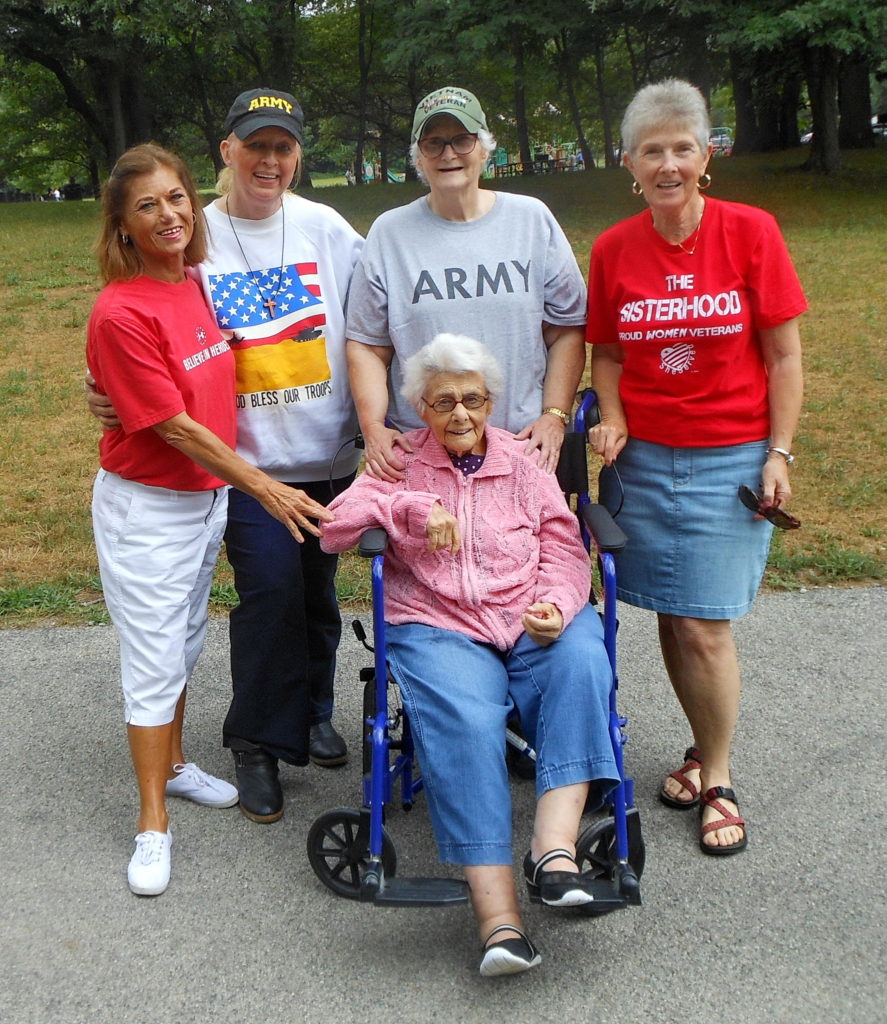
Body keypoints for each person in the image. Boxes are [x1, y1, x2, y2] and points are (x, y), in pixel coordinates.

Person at [88, 89, 364, 825]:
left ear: (297, 154)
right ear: (227, 152)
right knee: (269, 596)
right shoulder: (189, 233)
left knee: (316, 596)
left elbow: (372, 320)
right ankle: (258, 746)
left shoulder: (326, 227)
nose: (270, 160)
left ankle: (313, 712)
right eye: (256, 146)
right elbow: (142, 327)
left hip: (327, 452)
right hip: (243, 465)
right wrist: (112, 393)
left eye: (284, 147)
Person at [321, 335, 620, 977]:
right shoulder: (398, 461)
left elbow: (566, 548)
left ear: (492, 403)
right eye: (445, 401)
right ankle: (499, 921)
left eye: (474, 400)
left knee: (582, 662)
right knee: (465, 718)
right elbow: (334, 529)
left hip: (529, 616)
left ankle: (554, 851)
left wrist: (558, 606)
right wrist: (407, 508)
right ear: (421, 408)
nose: (461, 414)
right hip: (439, 625)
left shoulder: (523, 462)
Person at [586, 79, 806, 856]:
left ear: (706, 154)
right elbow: (605, 352)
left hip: (731, 460)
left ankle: (717, 776)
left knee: (705, 627)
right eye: (653, 150)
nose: (669, 163)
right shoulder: (614, 249)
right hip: (644, 461)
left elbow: (782, 356)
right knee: (674, 618)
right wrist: (610, 415)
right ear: (630, 163)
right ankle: (696, 745)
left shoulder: (750, 232)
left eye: (683, 146)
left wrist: (777, 452)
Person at [346, 86, 587, 481]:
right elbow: (368, 346)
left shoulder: (531, 220)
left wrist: (554, 415)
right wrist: (373, 427)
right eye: (434, 143)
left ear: (484, 148)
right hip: (426, 454)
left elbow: (566, 330)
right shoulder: (390, 233)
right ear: (419, 157)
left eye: (462, 139)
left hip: (522, 448)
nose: (448, 153)